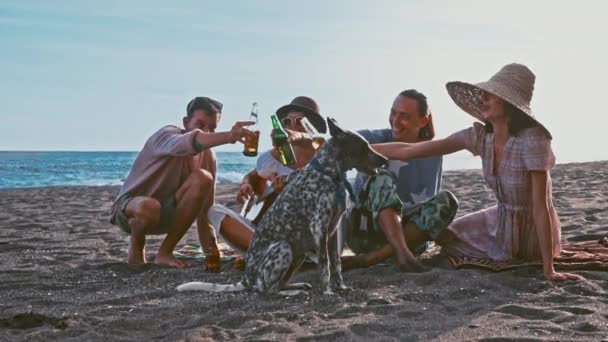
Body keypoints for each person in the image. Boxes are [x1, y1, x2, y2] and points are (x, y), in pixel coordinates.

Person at [373, 63, 584, 282]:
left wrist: (549, 268)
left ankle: (373, 257)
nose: (483, 99)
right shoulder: (480, 137)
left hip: (532, 232)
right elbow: (410, 151)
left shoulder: (533, 140)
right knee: (446, 235)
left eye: (490, 95)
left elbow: (543, 207)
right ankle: (385, 254)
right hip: (501, 218)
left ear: (509, 103)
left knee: (457, 240)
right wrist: (357, 150)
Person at [109, 97, 255, 268]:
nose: (207, 132)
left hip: (169, 214)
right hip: (131, 210)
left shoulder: (208, 157)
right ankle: (136, 246)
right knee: (148, 206)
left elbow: (205, 211)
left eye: (212, 128)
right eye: (200, 125)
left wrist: (211, 250)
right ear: (186, 122)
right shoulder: (167, 135)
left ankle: (165, 252)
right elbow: (191, 141)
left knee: (203, 177)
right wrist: (229, 136)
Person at [340, 89, 459, 272]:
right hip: (364, 234)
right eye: (393, 113)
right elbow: (337, 145)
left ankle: (372, 259)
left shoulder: (433, 153)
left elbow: (426, 203)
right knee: (380, 176)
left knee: (448, 200)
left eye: (404, 116)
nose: (395, 120)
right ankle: (401, 254)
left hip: (410, 240)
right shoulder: (371, 138)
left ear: (423, 121)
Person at [207, 96, 327, 255]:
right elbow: (254, 176)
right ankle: (268, 251)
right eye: (287, 122)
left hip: (312, 230)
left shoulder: (324, 153)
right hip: (276, 230)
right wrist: (246, 185)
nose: (292, 126)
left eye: (299, 121)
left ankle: (264, 252)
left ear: (312, 125)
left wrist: (286, 193)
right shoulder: (273, 157)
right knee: (215, 212)